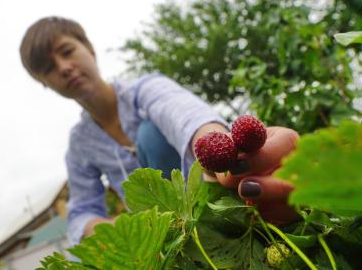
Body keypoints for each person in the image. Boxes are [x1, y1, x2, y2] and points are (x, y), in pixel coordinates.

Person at [19, 16, 299, 246]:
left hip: (208, 201)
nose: (64, 68)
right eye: (49, 69)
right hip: (161, 238)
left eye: (67, 52)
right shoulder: (80, 144)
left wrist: (218, 152)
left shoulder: (145, 90)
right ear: (45, 83)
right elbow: (80, 213)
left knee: (150, 134)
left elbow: (187, 117)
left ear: (89, 49)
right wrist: (121, 227)